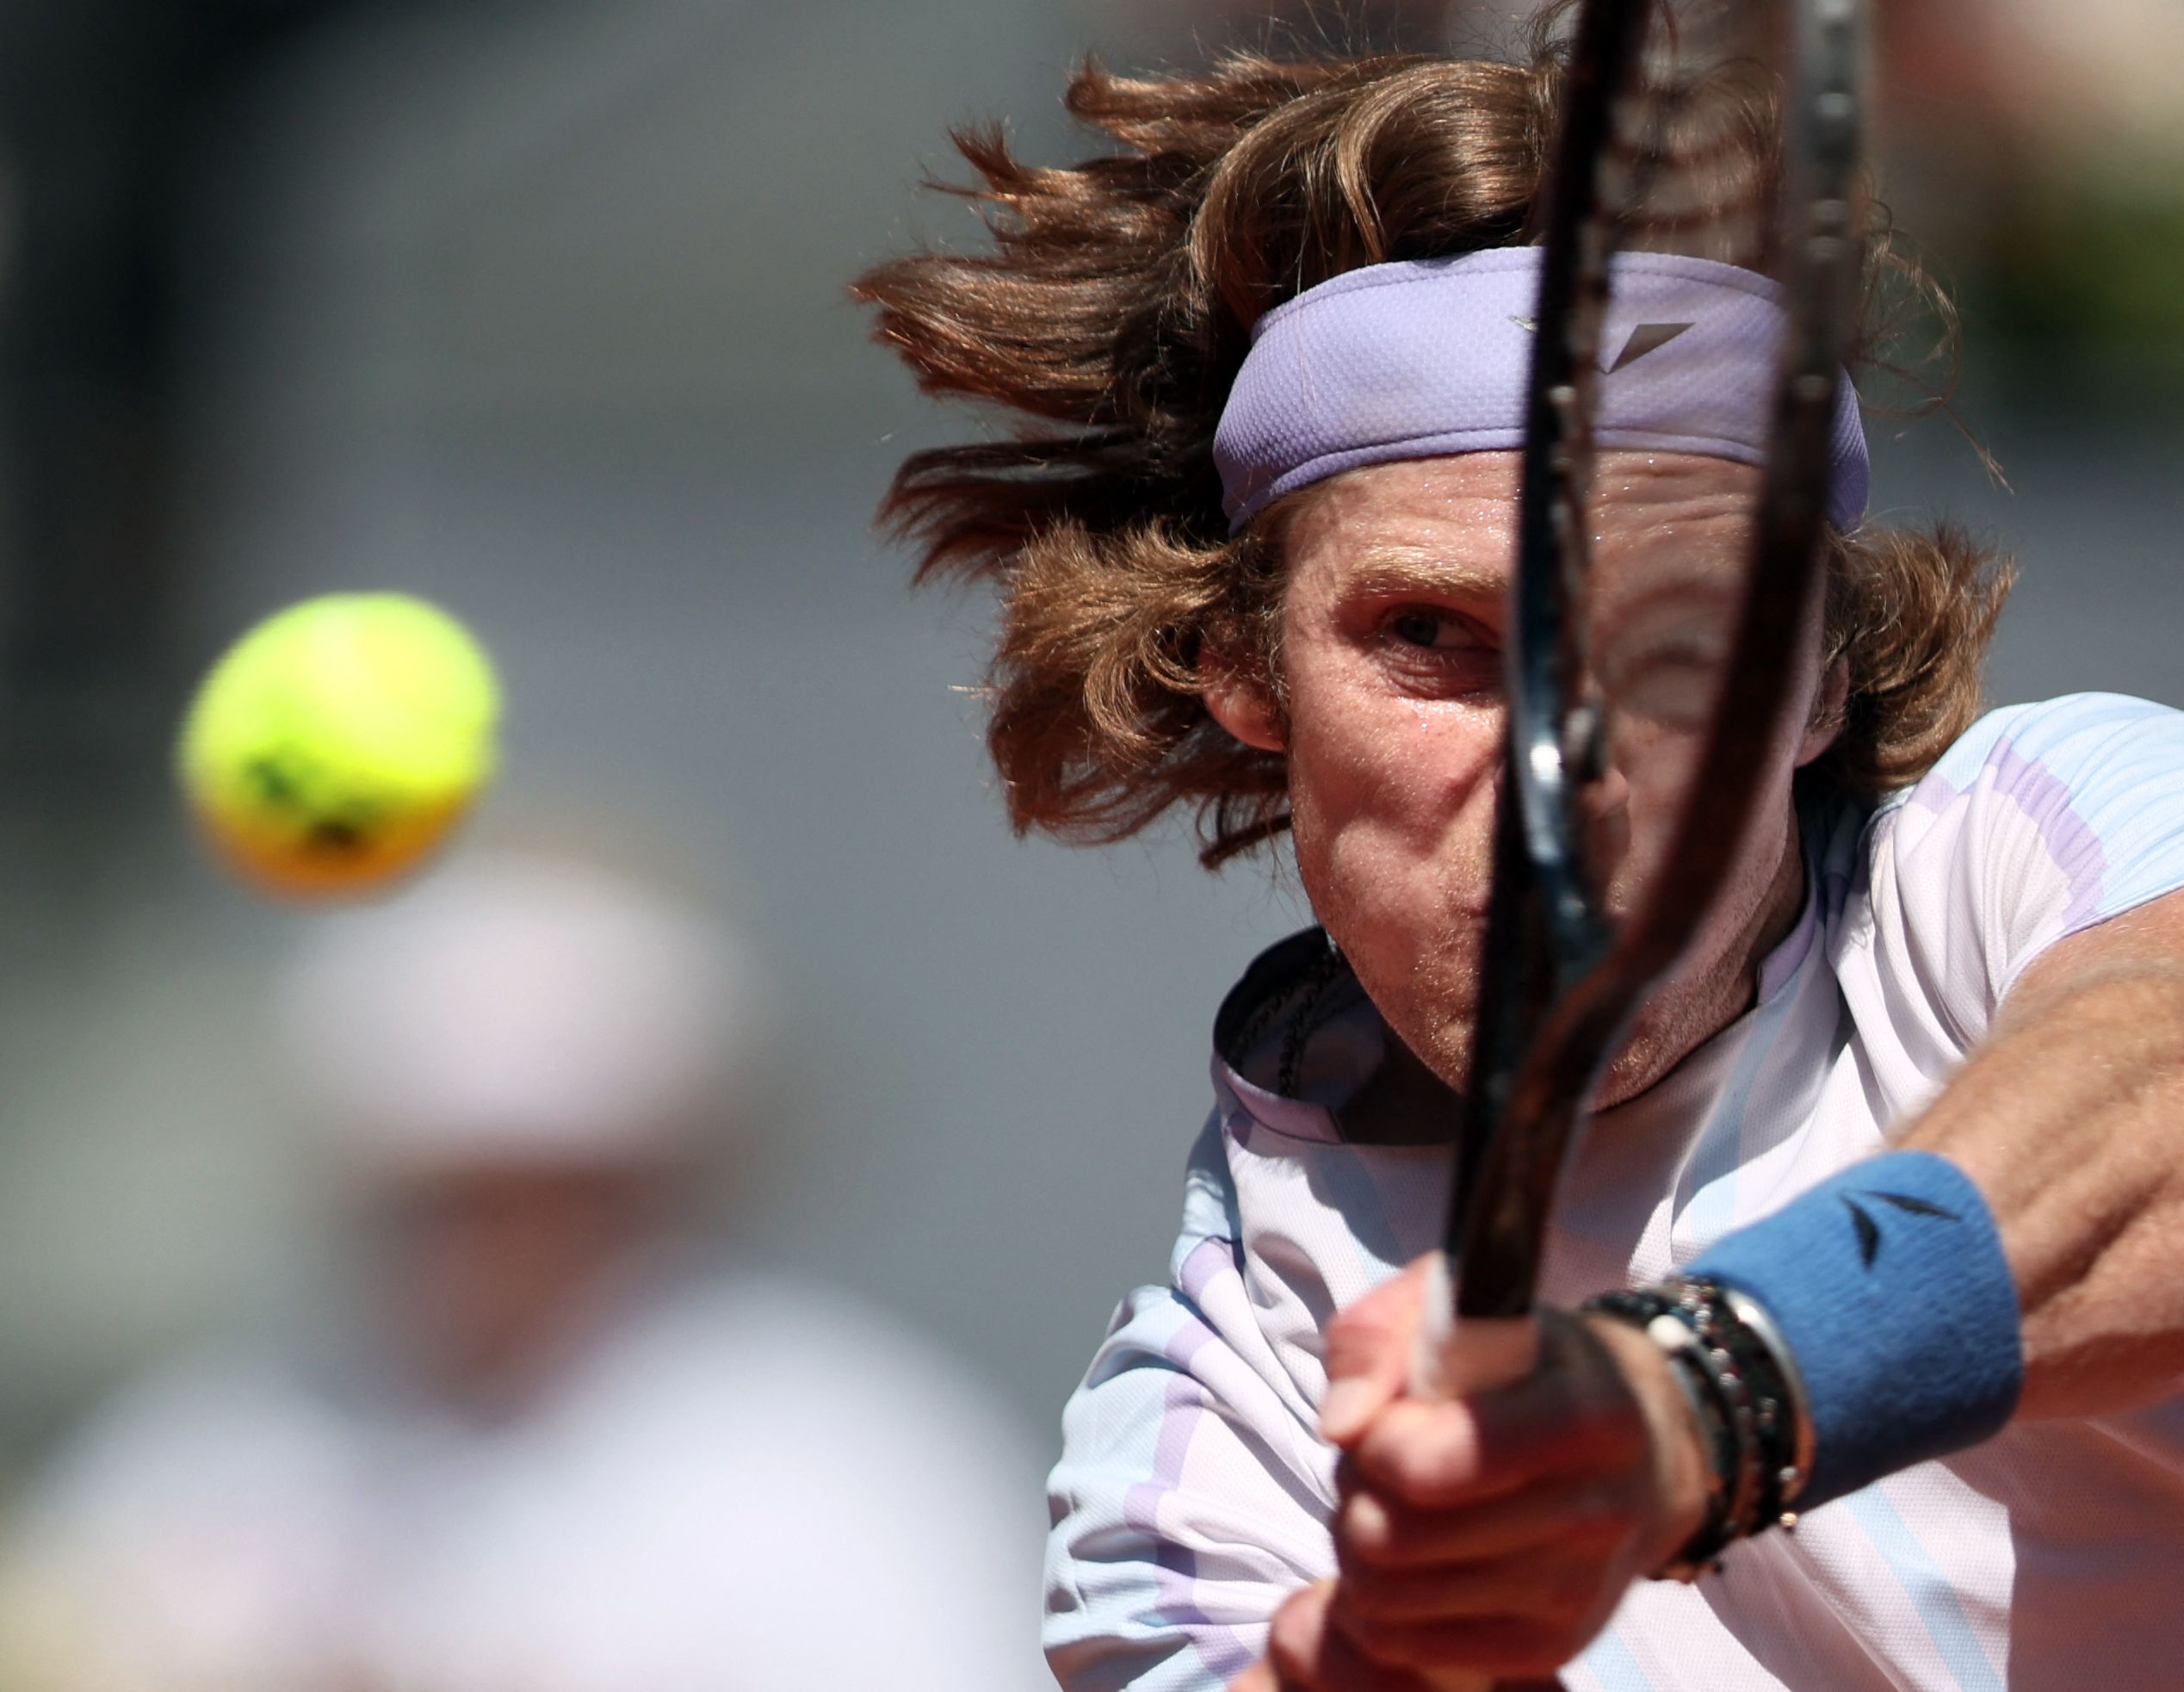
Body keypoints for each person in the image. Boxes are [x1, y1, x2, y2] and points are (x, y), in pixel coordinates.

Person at [854, 20, 2184, 1692]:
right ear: (1247, 672)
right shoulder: (1220, 1421)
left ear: (1816, 679)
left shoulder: (2035, 835)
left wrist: (1692, 1393)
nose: (1565, 763)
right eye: (1430, 633)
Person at [0, 850, 1049, 1692]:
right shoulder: (202, 1459)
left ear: (655, 1178)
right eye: (432, 1193)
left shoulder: (855, 1474)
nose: (483, 1242)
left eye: (540, 1188)